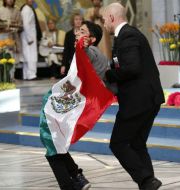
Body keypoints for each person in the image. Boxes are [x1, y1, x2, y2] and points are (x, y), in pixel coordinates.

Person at [102, 3, 165, 190]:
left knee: (118, 143)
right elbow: (124, 64)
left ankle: (146, 180)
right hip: (148, 100)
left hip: (138, 101)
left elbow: (132, 68)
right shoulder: (126, 35)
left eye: (105, 19)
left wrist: (108, 75)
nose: (104, 23)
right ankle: (149, 183)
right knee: (137, 144)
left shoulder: (127, 35)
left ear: (112, 18)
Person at [44, 20, 108, 190]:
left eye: (81, 31)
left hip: (72, 104)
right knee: (55, 140)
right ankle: (76, 176)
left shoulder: (90, 51)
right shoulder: (97, 54)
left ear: (91, 39)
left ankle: (69, 183)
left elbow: (87, 54)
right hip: (74, 103)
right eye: (77, 31)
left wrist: (83, 46)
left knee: (51, 140)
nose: (76, 34)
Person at [0, 0, 23, 80]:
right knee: (0, 55)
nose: (10, 1)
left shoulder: (17, 11)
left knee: (11, 56)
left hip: (12, 36)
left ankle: (11, 77)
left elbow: (20, 25)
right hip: (1, 36)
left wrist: (15, 27)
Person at [20, 0, 42, 80]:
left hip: (28, 36)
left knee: (27, 57)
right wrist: (29, 38)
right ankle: (31, 75)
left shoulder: (28, 9)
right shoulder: (26, 10)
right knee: (30, 56)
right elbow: (25, 24)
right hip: (29, 37)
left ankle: (26, 75)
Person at [61, 12, 83, 77]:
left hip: (83, 61)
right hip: (71, 62)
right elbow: (66, 51)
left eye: (80, 19)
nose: (78, 21)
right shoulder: (68, 34)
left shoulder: (85, 33)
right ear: (73, 21)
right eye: (76, 19)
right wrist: (63, 65)